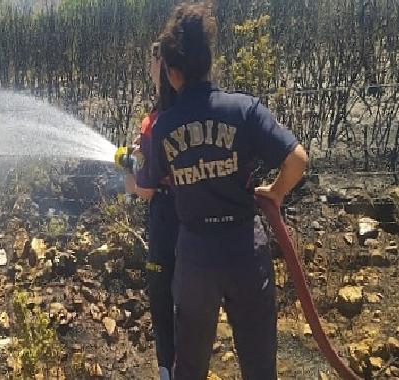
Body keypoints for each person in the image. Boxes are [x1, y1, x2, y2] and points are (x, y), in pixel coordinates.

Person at [140, 3, 308, 379]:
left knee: (191, 367)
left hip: (195, 257)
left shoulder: (163, 127)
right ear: (210, 61)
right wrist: (276, 193)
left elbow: (150, 184)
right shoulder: (244, 110)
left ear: (173, 72)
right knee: (259, 364)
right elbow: (297, 159)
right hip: (244, 249)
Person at [125, 42, 178, 380]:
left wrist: (129, 172)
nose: (148, 65)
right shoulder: (192, 109)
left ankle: (167, 371)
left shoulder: (155, 122)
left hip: (166, 223)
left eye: (151, 58)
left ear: (163, 63)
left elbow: (144, 189)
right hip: (200, 226)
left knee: (162, 300)